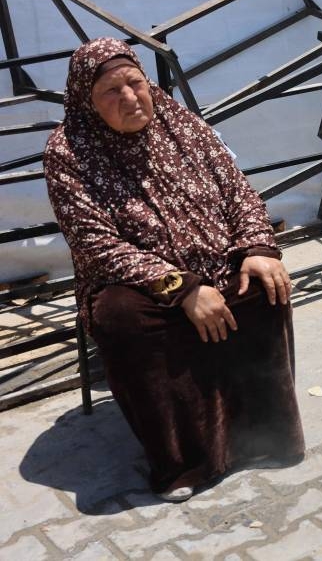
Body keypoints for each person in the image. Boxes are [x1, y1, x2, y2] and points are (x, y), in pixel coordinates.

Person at [44, 38, 304, 502]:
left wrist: (257, 247)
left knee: (265, 284)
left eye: (135, 83)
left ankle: (263, 437)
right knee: (122, 319)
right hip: (136, 282)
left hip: (214, 257)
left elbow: (235, 187)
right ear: (87, 100)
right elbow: (94, 242)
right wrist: (181, 288)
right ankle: (186, 462)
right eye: (110, 91)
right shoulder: (69, 151)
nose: (129, 98)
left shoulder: (180, 121)